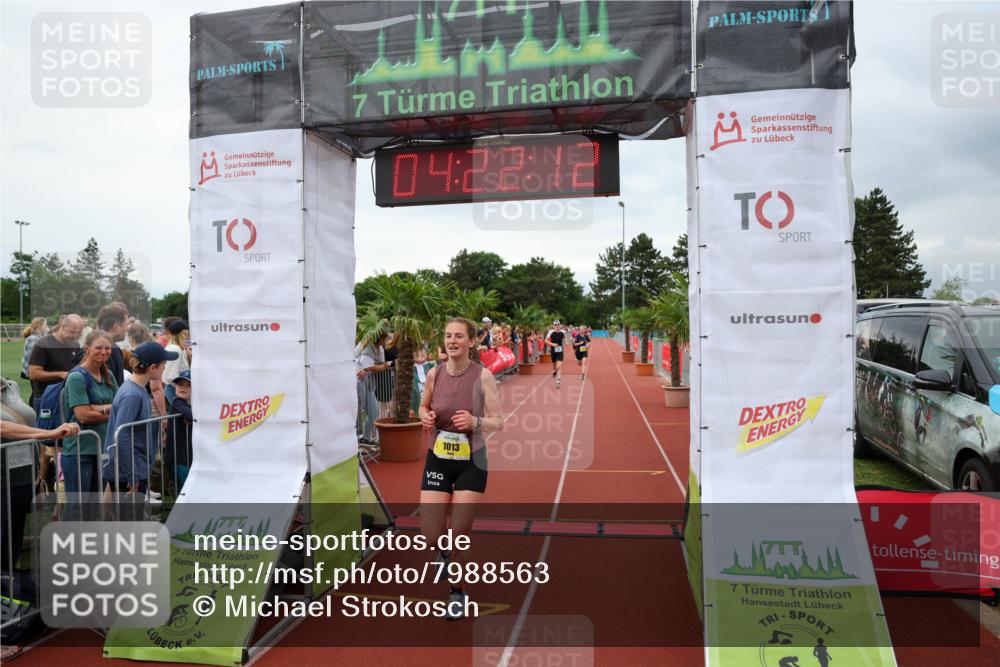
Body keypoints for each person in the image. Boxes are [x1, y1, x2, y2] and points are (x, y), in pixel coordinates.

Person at [418, 317, 504, 619]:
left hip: (472, 460)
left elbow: (499, 420)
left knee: (459, 533)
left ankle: (457, 593)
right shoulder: (434, 374)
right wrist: (425, 417)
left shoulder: (482, 377)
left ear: (471, 341)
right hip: (438, 458)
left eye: (458, 336)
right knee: (430, 533)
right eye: (447, 336)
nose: (452, 341)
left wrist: (476, 422)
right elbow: (423, 406)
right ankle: (443, 554)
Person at [106, 342, 177, 508]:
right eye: (163, 365)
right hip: (129, 469)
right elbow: (122, 434)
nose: (165, 368)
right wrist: (132, 475)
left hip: (134, 466)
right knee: (129, 522)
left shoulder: (138, 389)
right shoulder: (132, 394)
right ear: (153, 367)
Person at [61, 330, 118, 510]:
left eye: (107, 348)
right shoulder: (77, 377)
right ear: (87, 349)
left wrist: (97, 408)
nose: (104, 351)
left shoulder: (108, 374)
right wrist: (109, 410)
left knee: (94, 507)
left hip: (101, 449)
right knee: (77, 508)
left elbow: (119, 405)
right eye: (98, 347)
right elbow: (83, 415)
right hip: (79, 451)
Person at [27, 314, 84, 411]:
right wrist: (60, 374)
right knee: (45, 426)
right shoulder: (43, 344)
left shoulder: (75, 344)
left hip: (68, 395)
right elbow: (33, 373)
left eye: (78, 333)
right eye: (72, 332)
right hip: (45, 397)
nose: (75, 336)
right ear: (62, 327)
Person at [164, 371, 193, 495]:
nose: (183, 388)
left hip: (185, 457)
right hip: (177, 459)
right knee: (185, 493)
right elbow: (191, 416)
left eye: (188, 385)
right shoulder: (177, 402)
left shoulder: (188, 404)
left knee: (186, 491)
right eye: (180, 385)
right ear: (175, 387)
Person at [97, 303, 130, 387]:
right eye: (127, 324)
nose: (128, 328)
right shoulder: (110, 350)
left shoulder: (89, 348)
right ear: (116, 326)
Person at [20, 317, 48, 383]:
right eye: (45, 325)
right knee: (37, 392)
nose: (47, 327)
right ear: (39, 326)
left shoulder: (39, 337)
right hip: (33, 370)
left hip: (36, 369)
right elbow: (33, 358)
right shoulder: (33, 339)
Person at [163, 319, 191, 384]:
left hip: (178, 387)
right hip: (174, 389)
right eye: (186, 331)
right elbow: (171, 376)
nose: (188, 333)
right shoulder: (174, 348)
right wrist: (182, 386)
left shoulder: (178, 347)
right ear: (183, 332)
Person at [544, 319, 566, 388]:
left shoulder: (563, 332)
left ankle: (558, 381)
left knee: (559, 366)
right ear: (553, 326)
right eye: (555, 325)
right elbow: (545, 341)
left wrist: (567, 341)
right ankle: (554, 371)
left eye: (558, 324)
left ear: (560, 325)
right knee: (554, 366)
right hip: (553, 351)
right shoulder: (551, 332)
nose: (557, 326)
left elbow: (564, 339)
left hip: (560, 351)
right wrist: (552, 344)